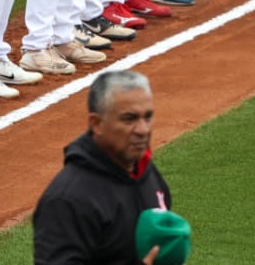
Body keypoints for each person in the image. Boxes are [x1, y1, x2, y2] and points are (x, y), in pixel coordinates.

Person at [33, 70, 172, 265]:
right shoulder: (67, 201)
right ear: (96, 123)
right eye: (129, 119)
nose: (143, 130)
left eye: (147, 117)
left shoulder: (145, 172)